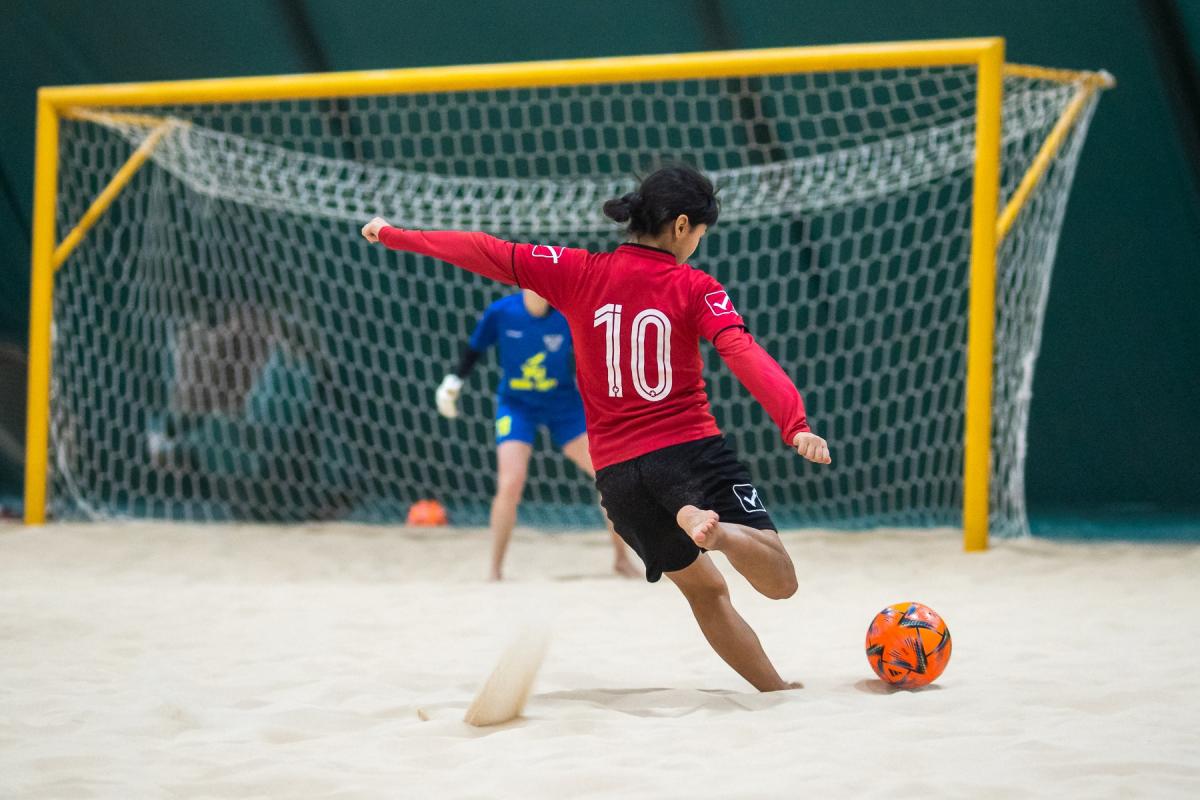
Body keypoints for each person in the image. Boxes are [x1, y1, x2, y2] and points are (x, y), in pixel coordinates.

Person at [362, 164, 831, 692]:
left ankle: (774, 689)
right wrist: (794, 423)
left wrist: (396, 235)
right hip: (688, 452)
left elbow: (483, 249)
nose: (698, 244)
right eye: (700, 233)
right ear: (681, 226)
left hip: (619, 479)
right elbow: (741, 351)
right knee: (780, 579)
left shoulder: (576, 270)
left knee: (706, 593)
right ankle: (718, 531)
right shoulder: (695, 286)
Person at [436, 288, 640, 580]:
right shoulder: (502, 312)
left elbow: (595, 352)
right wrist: (454, 381)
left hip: (563, 405)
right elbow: (475, 348)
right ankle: (495, 570)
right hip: (516, 406)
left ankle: (621, 560)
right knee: (511, 482)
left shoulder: (568, 313)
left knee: (608, 475)